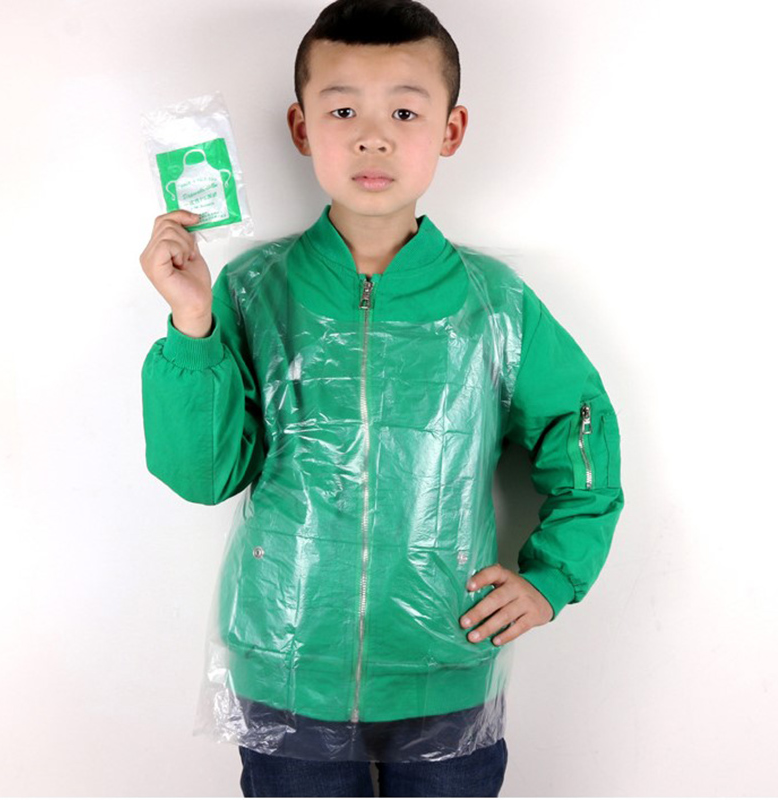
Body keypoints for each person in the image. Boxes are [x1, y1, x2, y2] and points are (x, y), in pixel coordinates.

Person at [139, 0, 624, 795]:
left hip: (447, 666)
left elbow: (582, 435)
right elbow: (203, 475)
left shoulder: (493, 303)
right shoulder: (254, 289)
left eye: (404, 111)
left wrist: (552, 578)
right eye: (343, 111)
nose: (373, 137)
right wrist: (192, 323)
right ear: (301, 127)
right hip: (287, 667)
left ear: (451, 129)